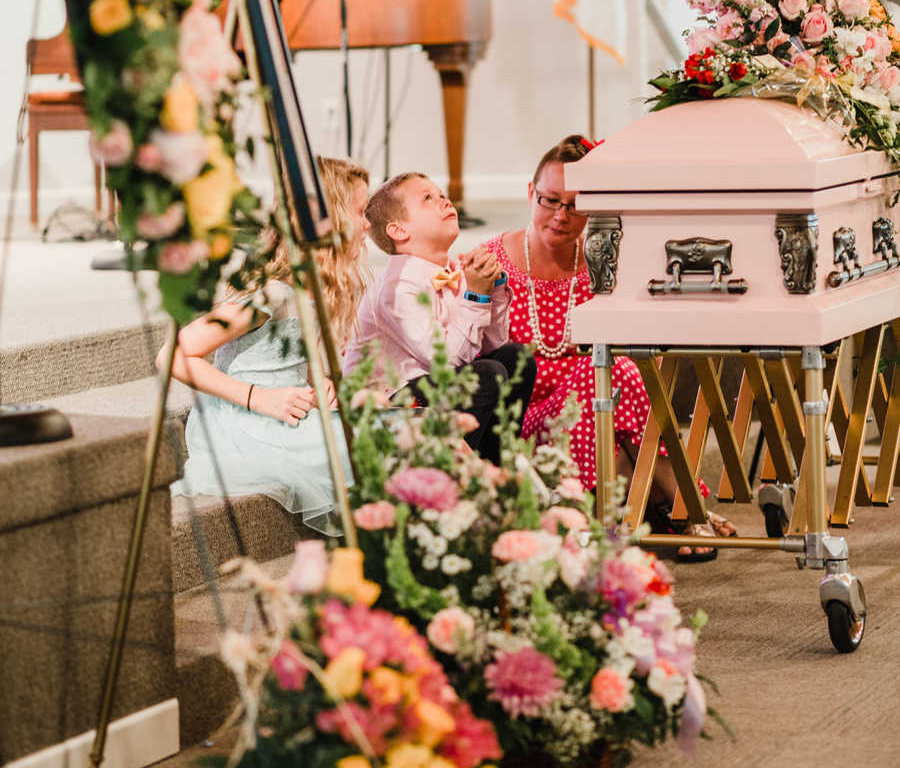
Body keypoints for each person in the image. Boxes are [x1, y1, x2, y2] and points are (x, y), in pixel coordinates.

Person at [481, 135, 735, 560]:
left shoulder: (604, 261)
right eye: (550, 200)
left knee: (612, 374)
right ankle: (682, 506)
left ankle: (643, 512)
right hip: (530, 422)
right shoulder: (489, 260)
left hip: (606, 410)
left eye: (576, 205)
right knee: (604, 376)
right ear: (530, 193)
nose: (561, 216)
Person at [165, 157, 370, 531]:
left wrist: (318, 379)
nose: (368, 223)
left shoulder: (315, 289)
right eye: (360, 211)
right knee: (378, 443)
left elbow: (293, 357)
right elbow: (173, 355)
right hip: (245, 424)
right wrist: (258, 397)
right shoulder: (270, 294)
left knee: (397, 427)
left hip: (288, 411)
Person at [344, 172, 536, 464]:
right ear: (398, 231)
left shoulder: (448, 271)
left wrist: (491, 290)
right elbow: (446, 362)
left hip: (429, 383)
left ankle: (495, 464)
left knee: (515, 358)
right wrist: (476, 297)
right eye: (428, 199)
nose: (443, 200)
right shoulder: (398, 285)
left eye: (441, 193)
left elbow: (491, 344)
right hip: (388, 403)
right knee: (486, 376)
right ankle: (456, 473)